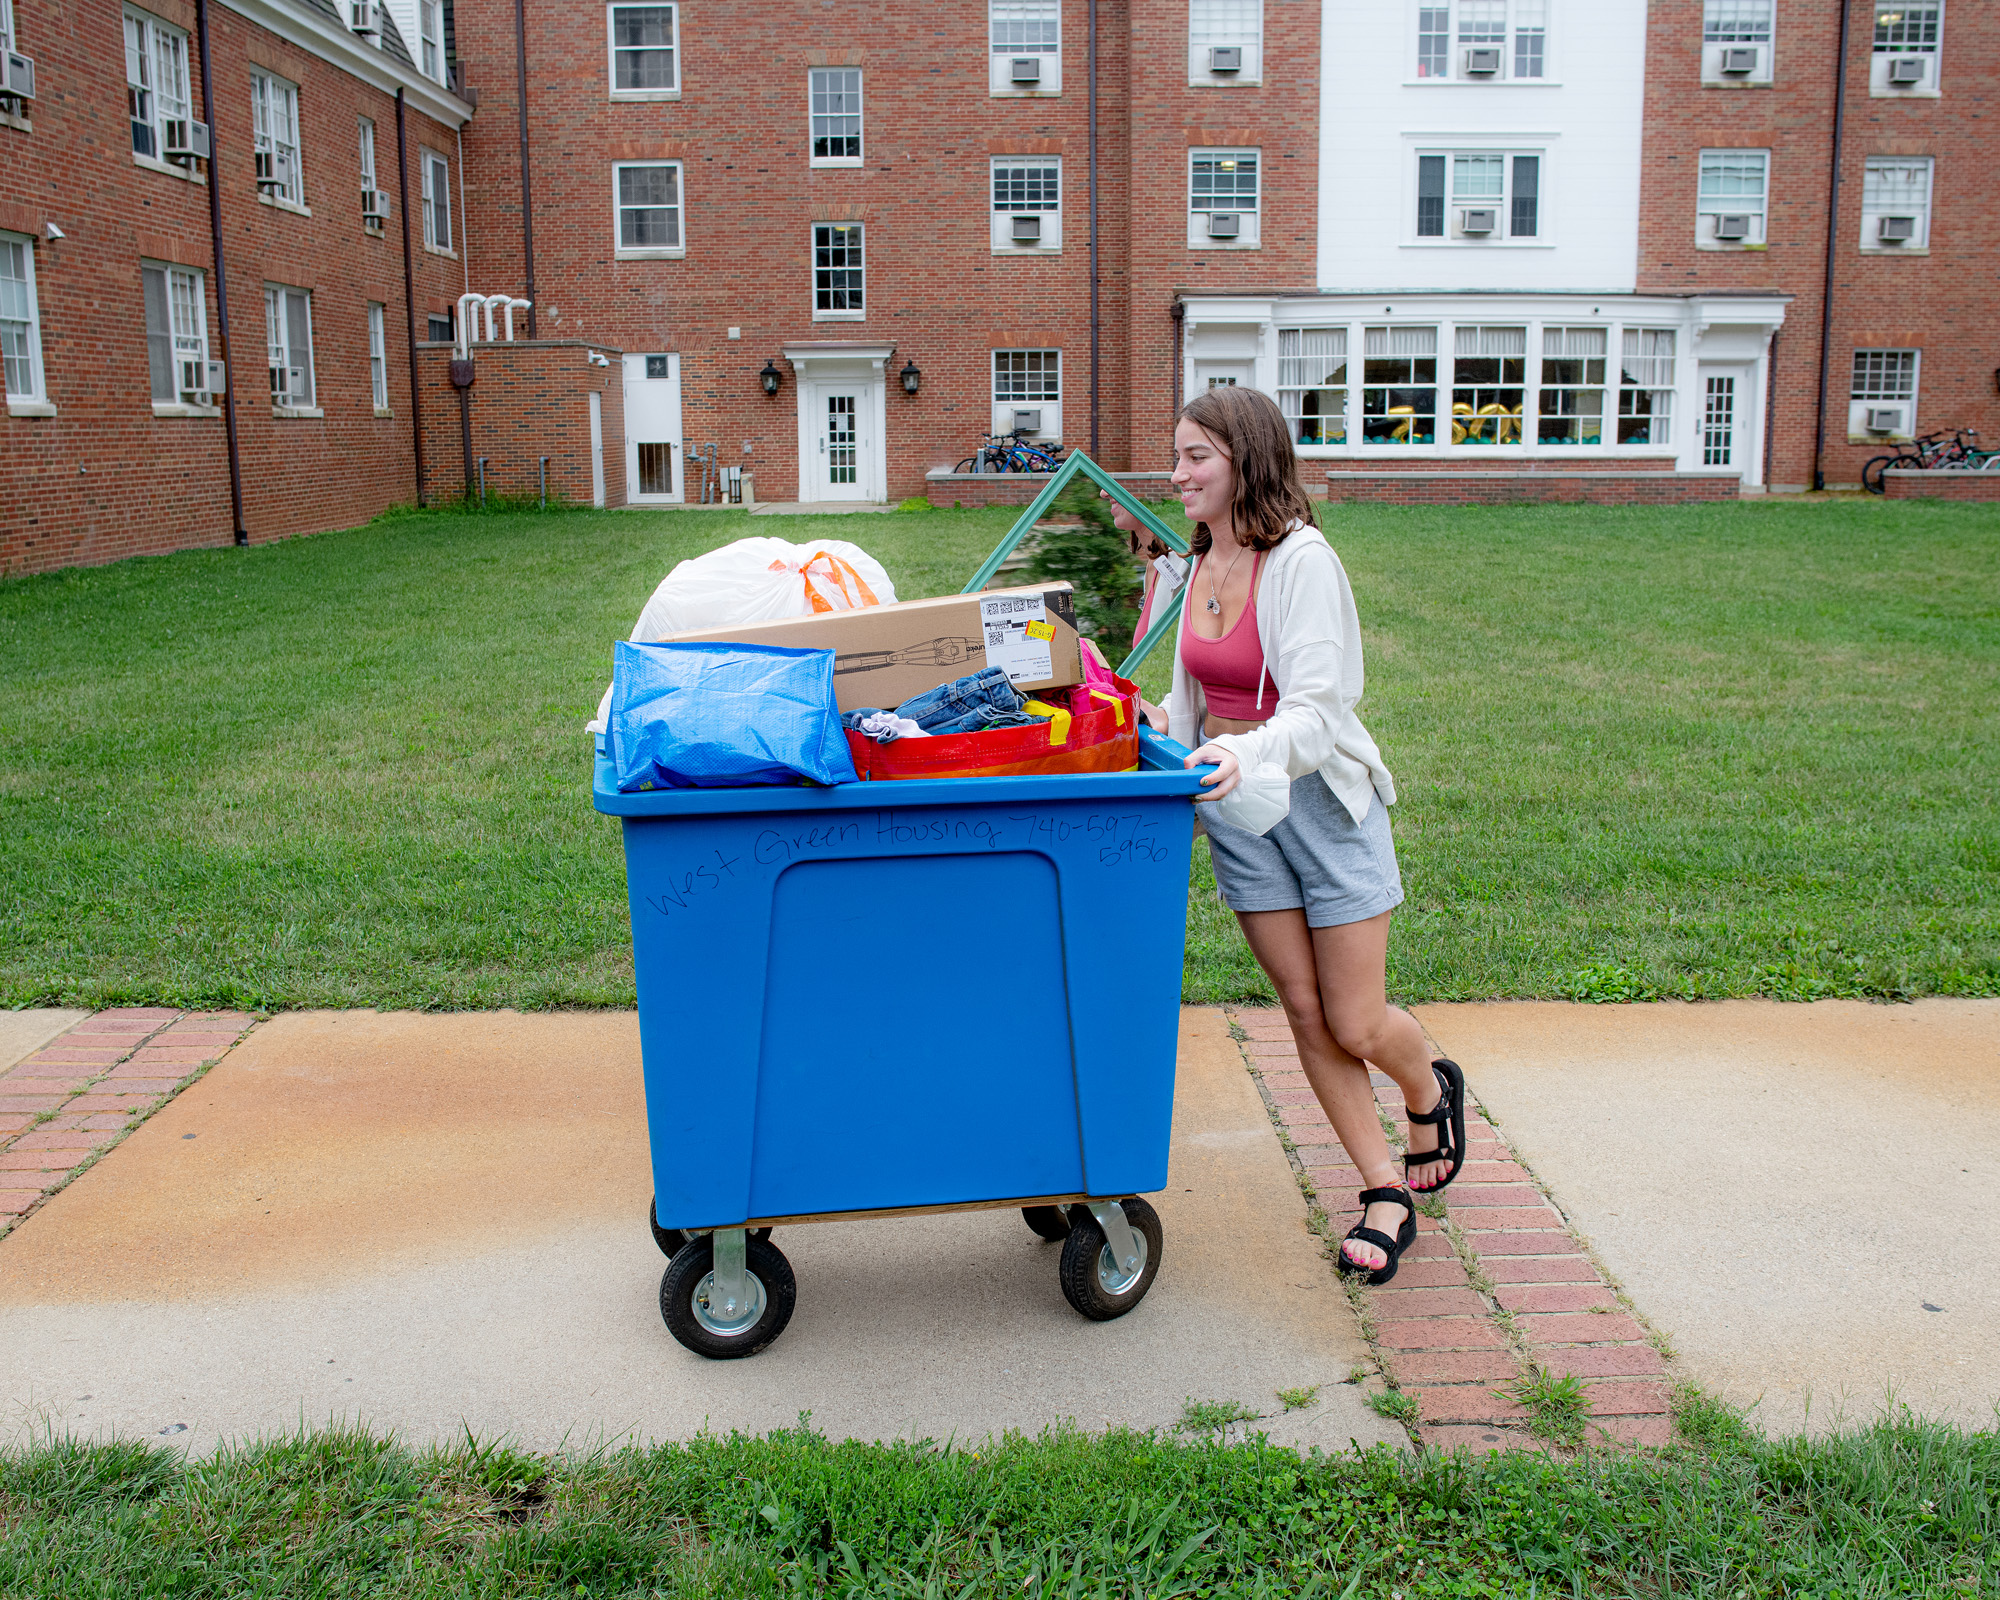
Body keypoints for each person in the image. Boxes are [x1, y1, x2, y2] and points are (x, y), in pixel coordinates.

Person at [1115, 385, 1467, 1286]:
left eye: (1196, 455)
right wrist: (1164, 727)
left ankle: (1427, 1083)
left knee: (1354, 1015)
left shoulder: (1303, 561)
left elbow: (1319, 711)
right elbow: (1194, 698)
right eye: (1178, 452)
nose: (1178, 470)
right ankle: (1383, 1187)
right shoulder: (1200, 565)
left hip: (1318, 805)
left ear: (1247, 461)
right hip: (1239, 814)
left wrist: (1246, 753)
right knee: (1304, 1011)